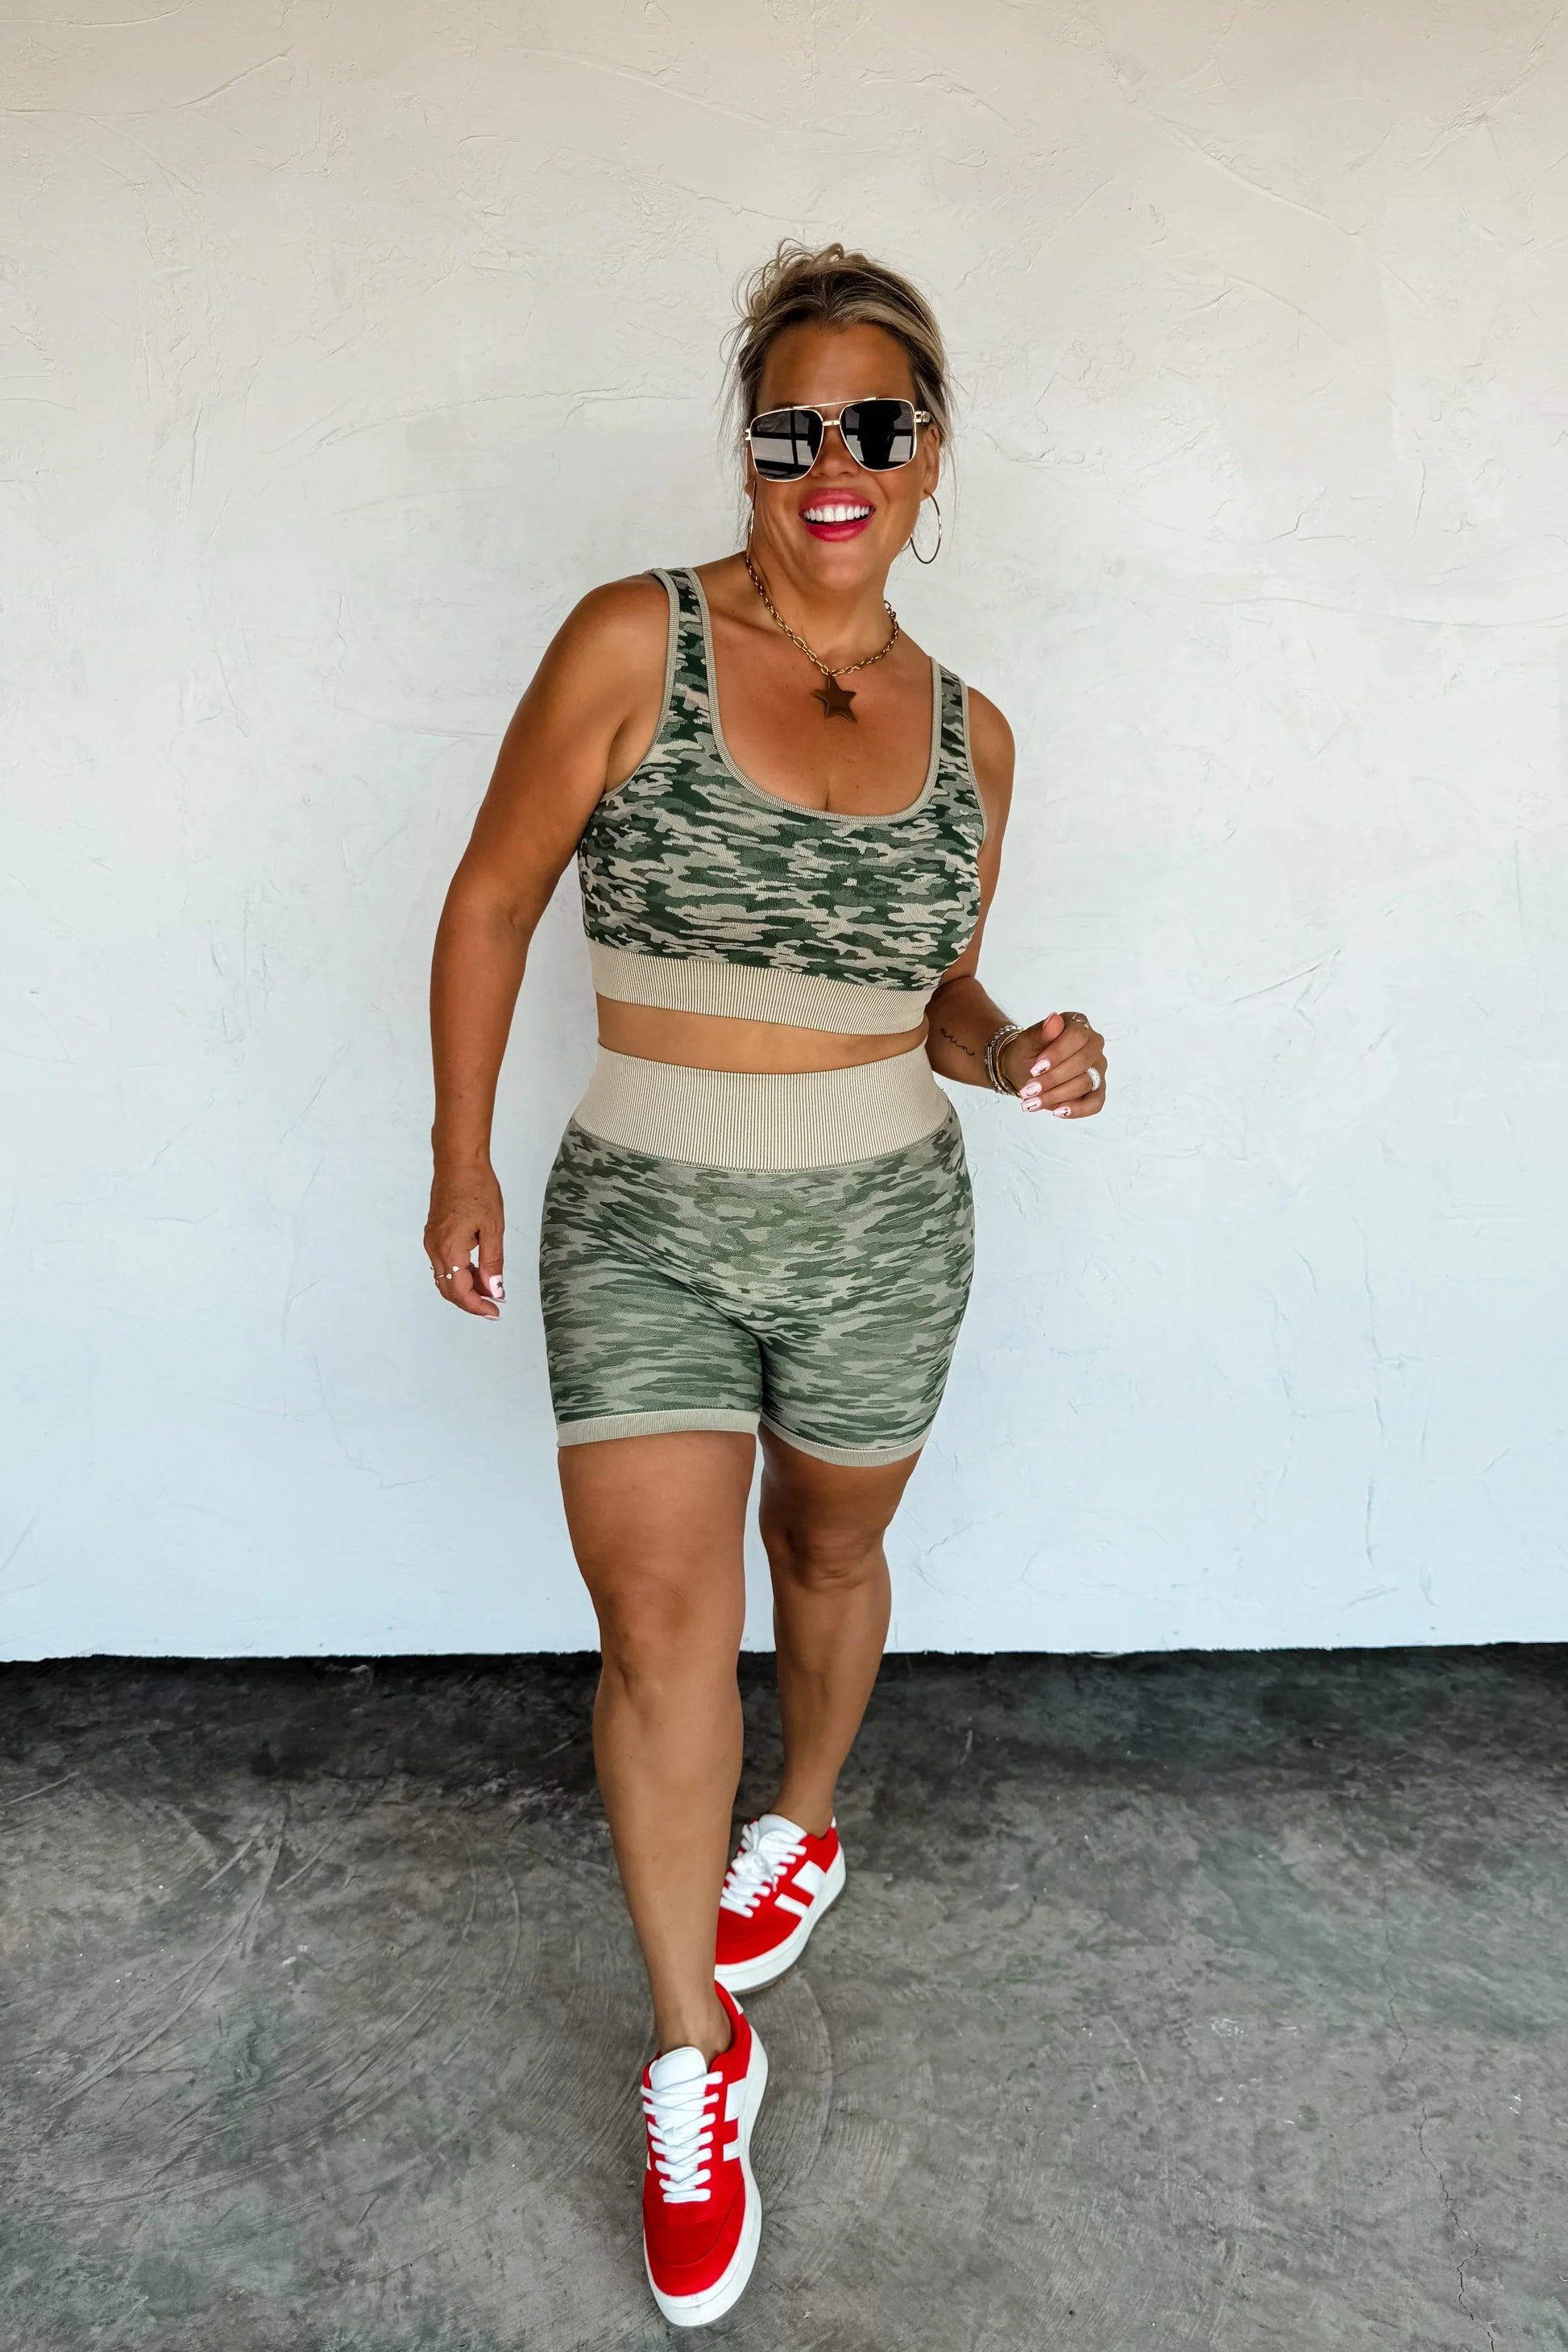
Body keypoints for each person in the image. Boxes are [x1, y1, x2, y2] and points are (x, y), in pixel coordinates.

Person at [424, 241, 1109, 2328]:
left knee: (827, 1553)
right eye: (791, 426)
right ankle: (691, 2052)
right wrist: (458, 1152)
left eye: (872, 427)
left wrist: (1018, 1048)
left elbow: (931, 994)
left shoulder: (977, 737)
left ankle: (801, 1816)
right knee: (657, 1633)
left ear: (930, 456)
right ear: (747, 448)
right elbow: (493, 896)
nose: (832, 463)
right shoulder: (630, 640)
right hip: (644, 1213)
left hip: (883, 1227)